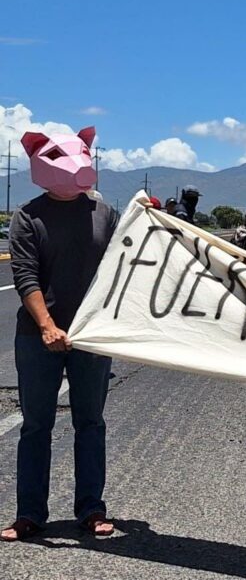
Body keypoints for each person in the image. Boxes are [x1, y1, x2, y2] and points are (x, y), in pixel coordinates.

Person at [4, 126, 118, 540]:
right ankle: (30, 513)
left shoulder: (105, 214)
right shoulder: (27, 217)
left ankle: (91, 509)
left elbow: (125, 266)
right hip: (39, 337)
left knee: (91, 423)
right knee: (36, 425)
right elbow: (25, 276)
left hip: (91, 337)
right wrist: (47, 325)